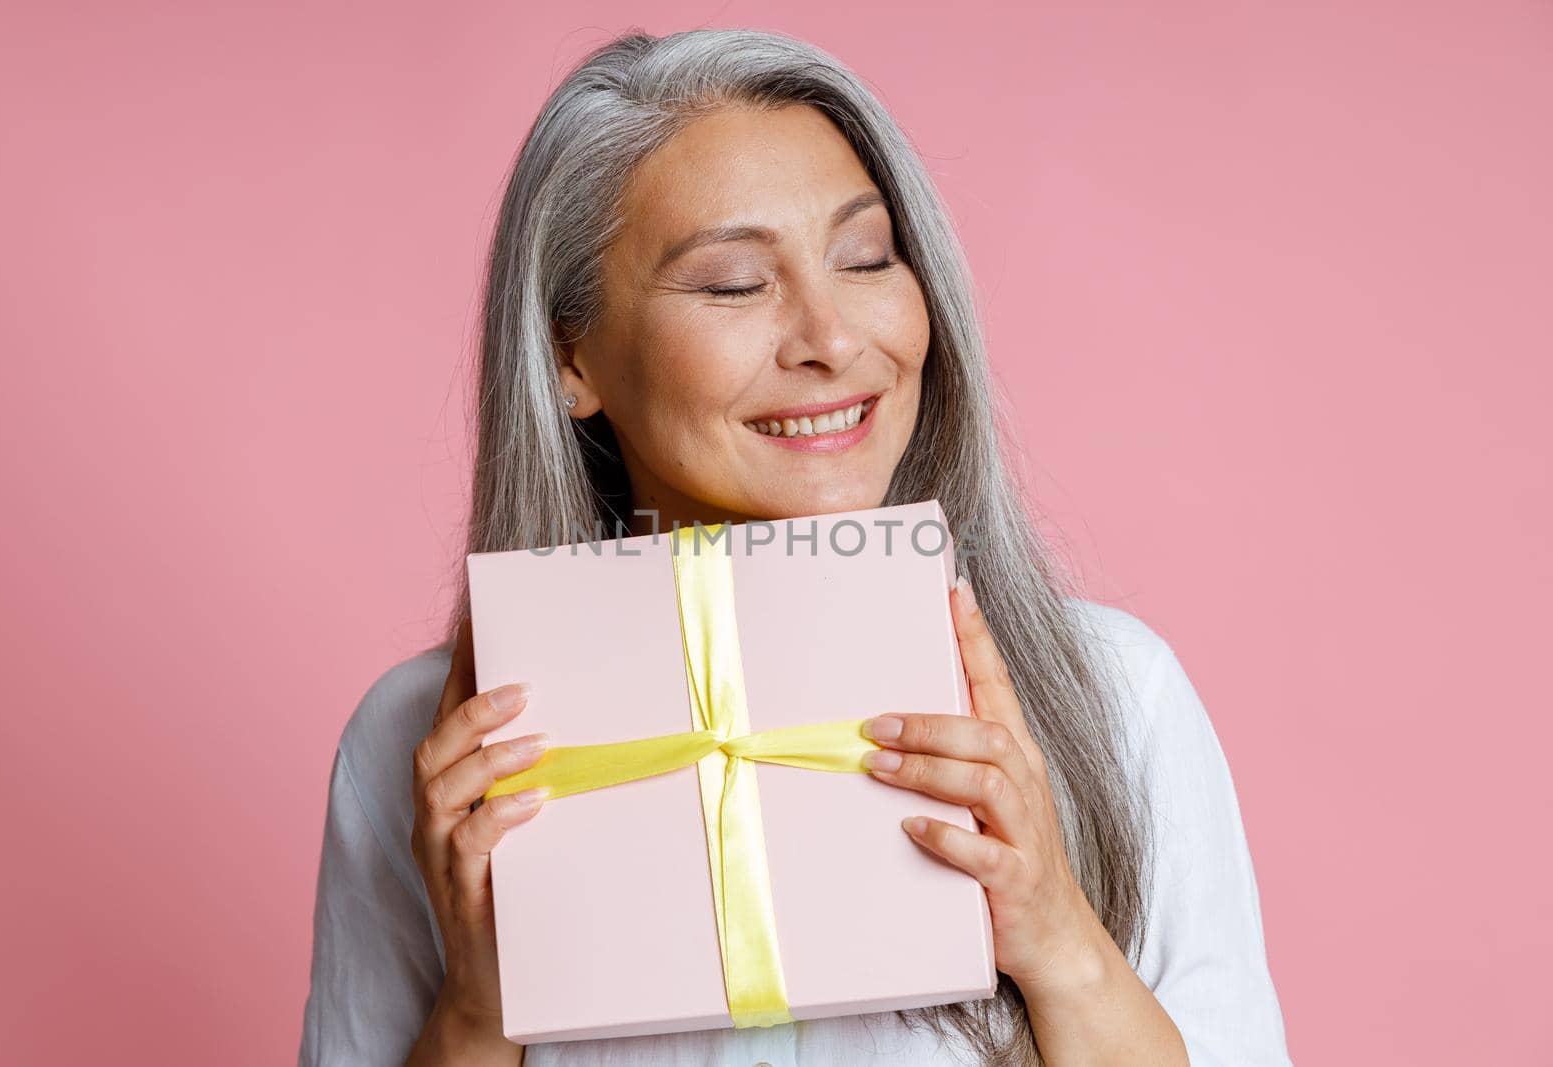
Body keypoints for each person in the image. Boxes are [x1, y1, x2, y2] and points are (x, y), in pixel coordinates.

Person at [297, 27, 1292, 1067]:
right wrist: (477, 1007)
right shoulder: (429, 750)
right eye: (733, 283)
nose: (831, 335)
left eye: (866, 259)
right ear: (567, 354)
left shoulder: (1114, 693)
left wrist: (1058, 939)